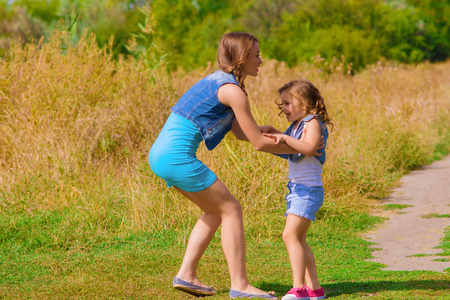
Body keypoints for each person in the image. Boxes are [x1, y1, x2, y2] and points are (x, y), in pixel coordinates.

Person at [148, 32, 321, 299]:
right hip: (177, 157)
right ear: (241, 58)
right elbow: (258, 144)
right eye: (257, 55)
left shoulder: (221, 84)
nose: (261, 60)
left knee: (214, 211)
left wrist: (265, 131)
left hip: (160, 156)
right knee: (231, 209)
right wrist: (304, 150)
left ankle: (186, 275)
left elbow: (243, 133)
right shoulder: (233, 91)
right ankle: (240, 285)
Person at [263, 79, 332, 300]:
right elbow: (290, 149)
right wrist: (274, 133)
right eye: (281, 103)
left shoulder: (312, 122)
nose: (283, 108)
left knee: (289, 235)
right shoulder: (296, 125)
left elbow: (309, 148)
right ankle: (315, 290)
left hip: (308, 190)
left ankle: (298, 288)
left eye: (287, 103)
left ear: (304, 103)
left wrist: (283, 137)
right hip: (298, 189)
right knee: (299, 239)